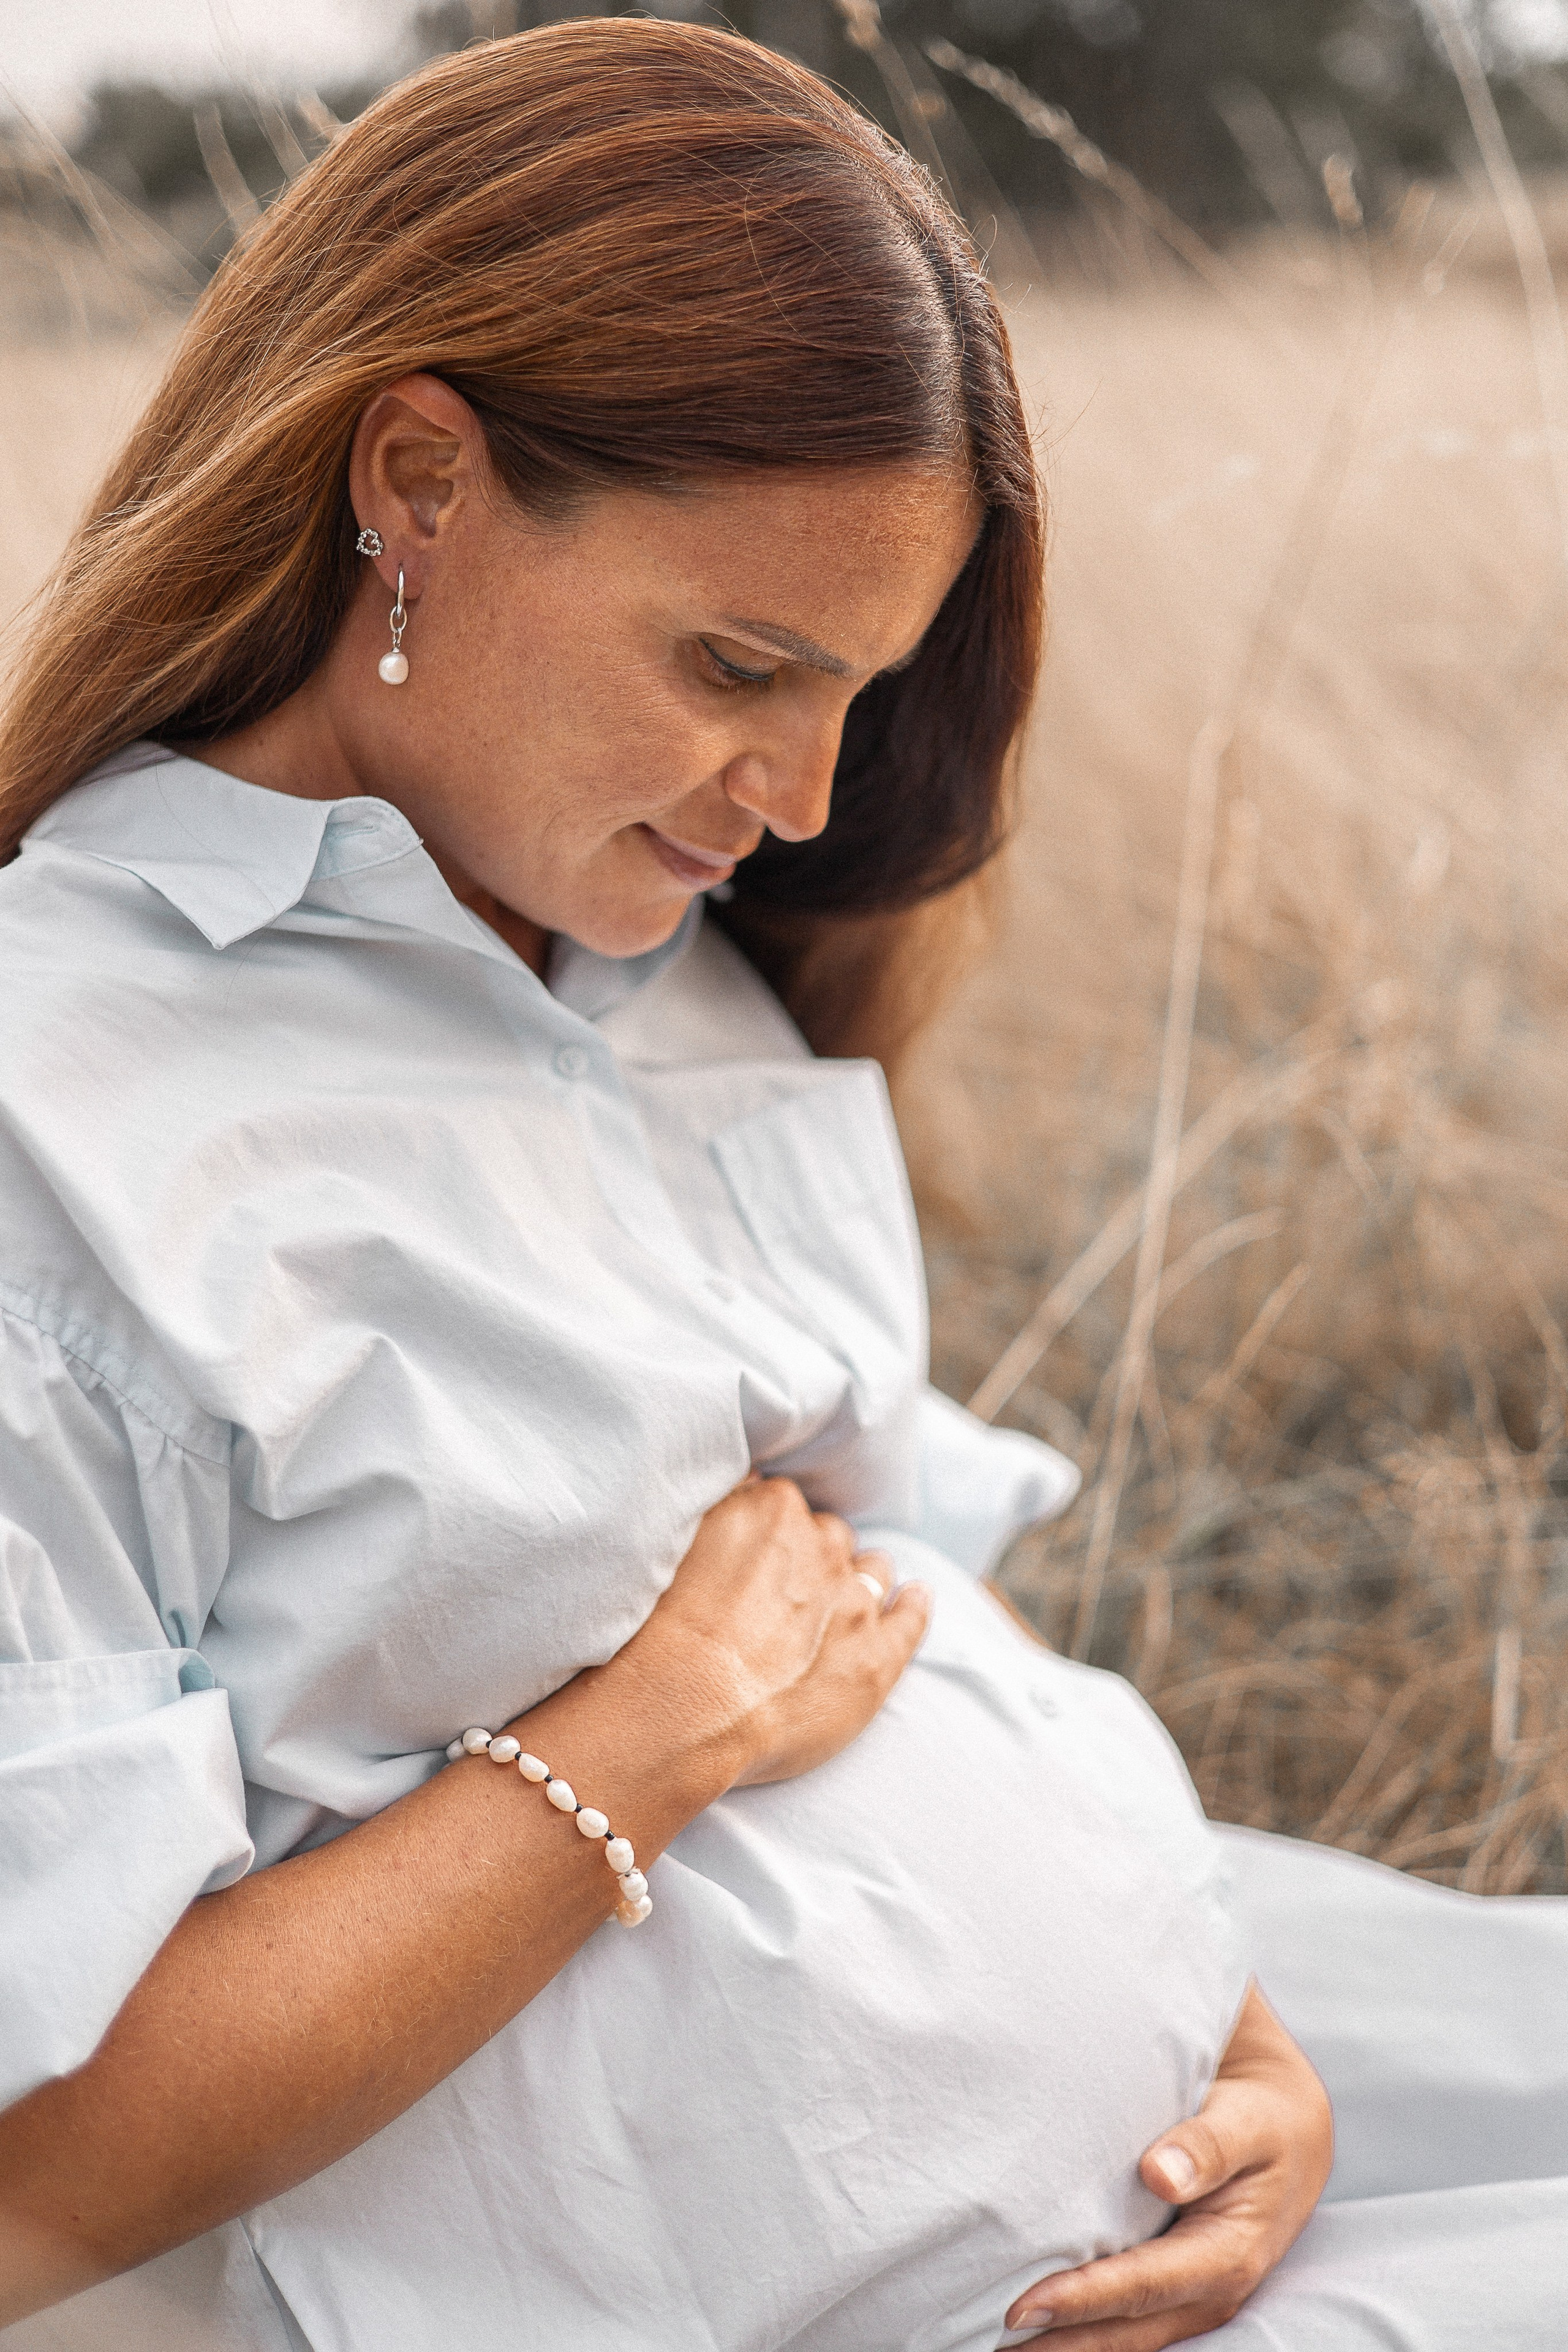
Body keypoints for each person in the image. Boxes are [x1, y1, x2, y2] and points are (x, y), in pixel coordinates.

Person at [0, 23, 1560, 2352]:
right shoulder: (58, 1120)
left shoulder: (662, 964)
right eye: (740, 663)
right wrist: (647, 1739)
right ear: (417, 482)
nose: (809, 798)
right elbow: (35, 2186)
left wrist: (1228, 2030)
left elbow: (883, 1586)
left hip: (1170, 2188)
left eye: (860, 689)